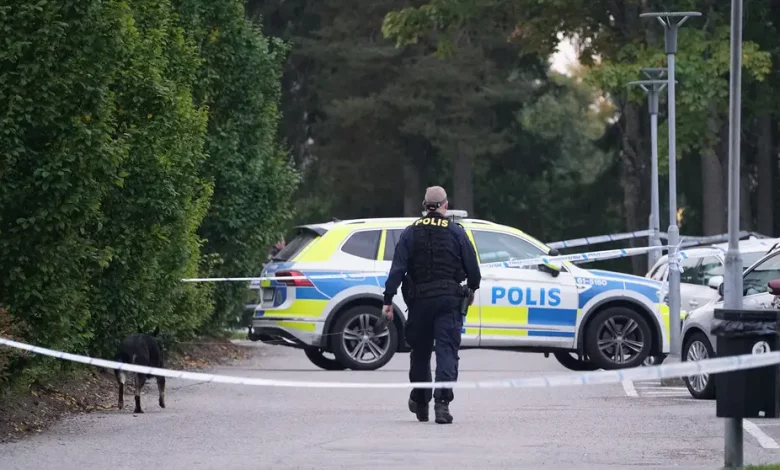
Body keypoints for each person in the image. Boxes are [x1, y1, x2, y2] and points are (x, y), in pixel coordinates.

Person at [381, 186, 481, 424]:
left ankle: (420, 401)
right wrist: (472, 289)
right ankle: (442, 405)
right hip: (449, 301)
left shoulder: (411, 232)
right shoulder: (456, 232)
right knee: (447, 352)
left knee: (420, 353)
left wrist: (387, 300)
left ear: (425, 206)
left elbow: (397, 270)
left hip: (419, 302)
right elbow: (473, 270)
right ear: (446, 205)